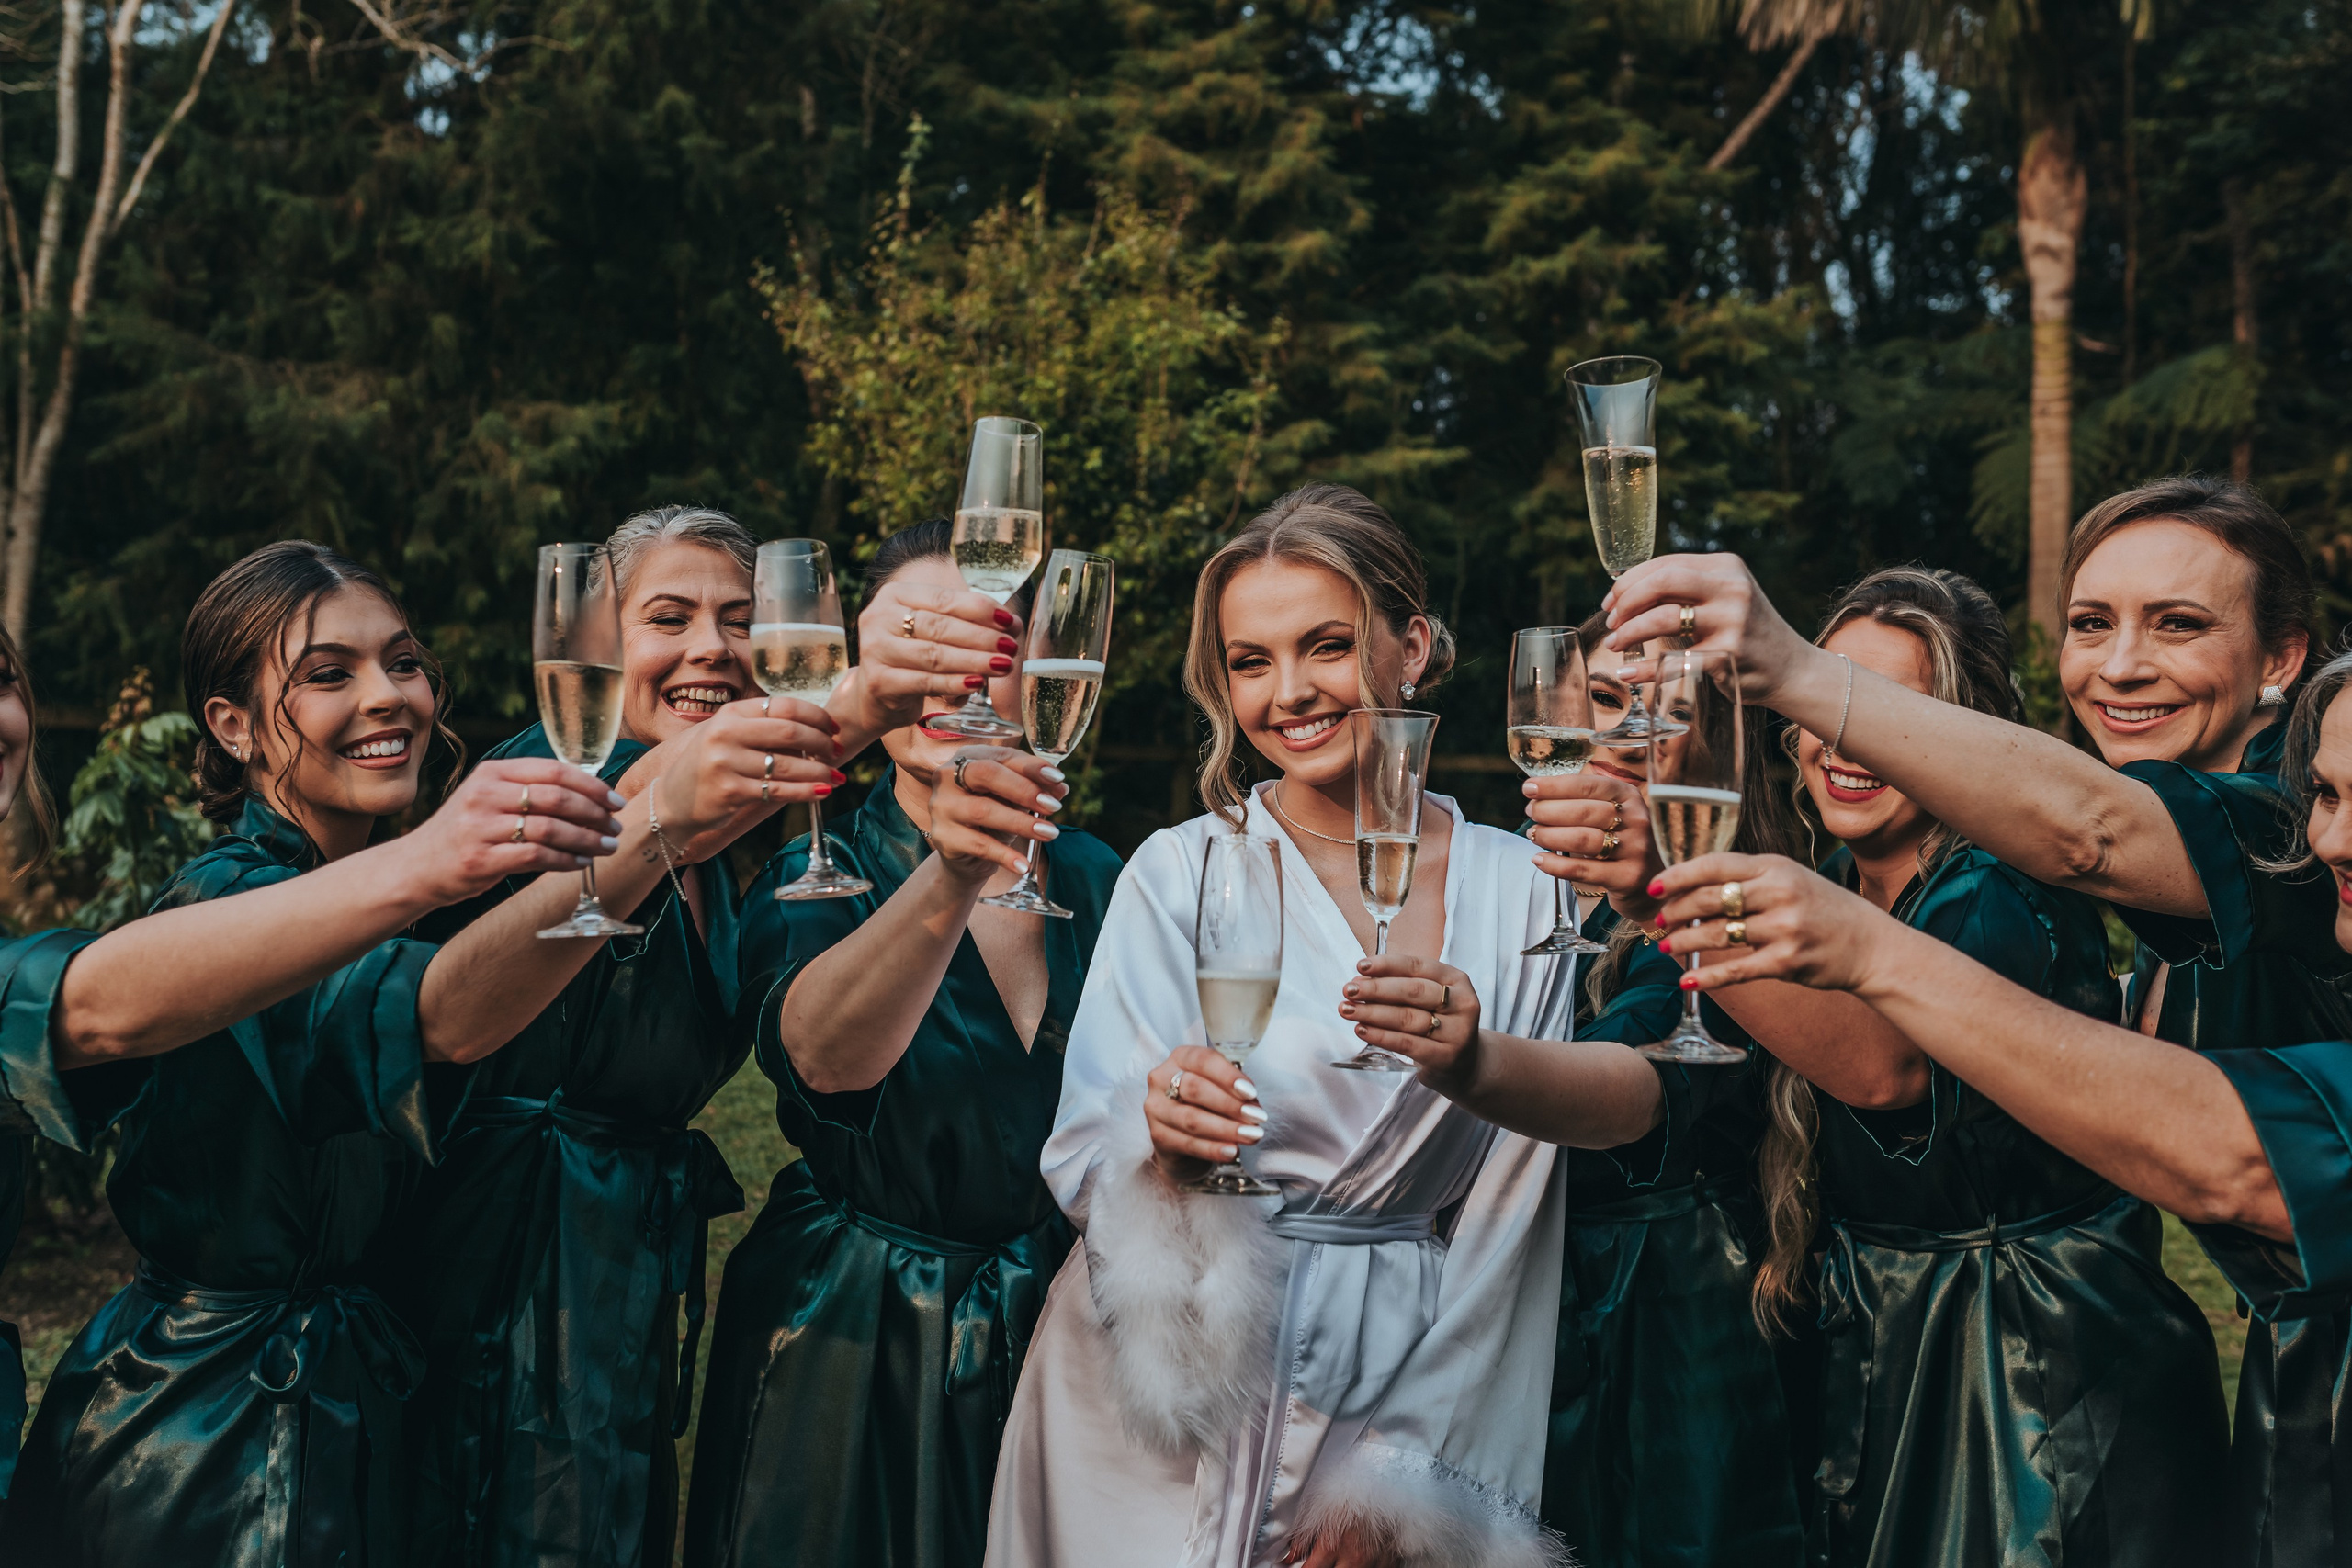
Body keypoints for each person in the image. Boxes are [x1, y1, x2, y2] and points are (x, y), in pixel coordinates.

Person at [1602, 477, 2339, 1563]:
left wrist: (1796, 673)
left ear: (2282, 657)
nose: (2120, 664)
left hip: (2043, 1389)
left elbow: (2081, 839)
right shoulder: (2267, 853)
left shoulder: (2279, 838)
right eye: (2091, 624)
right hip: (2287, 1398)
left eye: (2177, 623)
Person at [987, 485, 1665, 1568]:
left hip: (1394, 1380)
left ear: (1414, 647)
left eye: (1327, 646)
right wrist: (1159, 1140)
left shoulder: (1529, 892)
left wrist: (1407, 1483)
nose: (1289, 692)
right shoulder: (1180, 872)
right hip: (1164, 1405)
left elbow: (1507, 1228)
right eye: (1250, 661)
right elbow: (1080, 1162)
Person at [0, 541, 667, 1565]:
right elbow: (436, 1015)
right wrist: (660, 828)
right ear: (230, 725)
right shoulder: (229, 901)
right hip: (200, 1443)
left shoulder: (380, 886)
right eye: (328, 674)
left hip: (367, 1410)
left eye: (403, 663)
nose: (387, 696)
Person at [388, 505, 1018, 1568]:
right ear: (598, 644)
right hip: (498, 1265)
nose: (711, 649)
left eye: (739, 621)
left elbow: (712, 796)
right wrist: (861, 696)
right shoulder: (556, 770)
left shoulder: (729, 859)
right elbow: (644, 803)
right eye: (667, 618)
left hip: (624, 1274)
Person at [684, 519, 1123, 1568]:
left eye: (989, 653)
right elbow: (824, 1061)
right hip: (847, 1339)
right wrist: (955, 868)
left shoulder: (1108, 876)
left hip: (1068, 1341)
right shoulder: (816, 868)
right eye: (916, 650)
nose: (953, 681)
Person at [1521, 615, 1811, 1567]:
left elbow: (1635, 1079)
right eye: (1605, 701)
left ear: (1718, 743)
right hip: (1539, 1343)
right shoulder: (1532, 903)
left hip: (1680, 1346)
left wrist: (1455, 1066)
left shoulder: (1756, 920)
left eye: (1664, 713)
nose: (1623, 736)